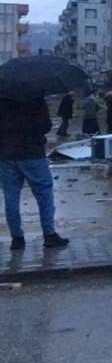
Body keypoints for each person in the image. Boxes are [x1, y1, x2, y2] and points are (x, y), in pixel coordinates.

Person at [0, 97, 69, 250]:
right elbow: (46, 125)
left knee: (10, 196)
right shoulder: (35, 95)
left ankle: (16, 239)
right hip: (32, 152)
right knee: (44, 193)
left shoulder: (2, 96)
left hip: (6, 154)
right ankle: (49, 235)